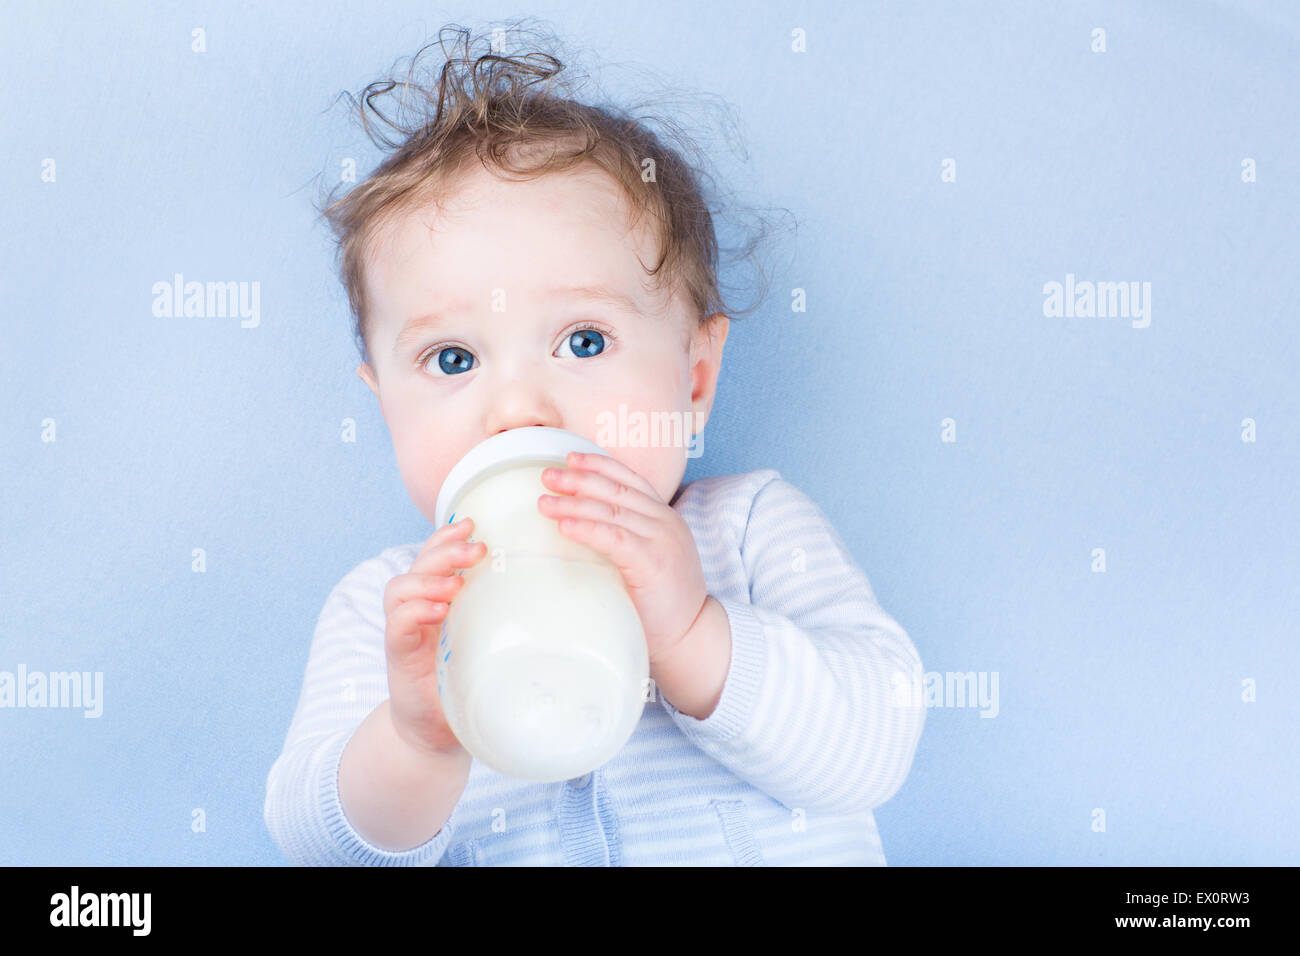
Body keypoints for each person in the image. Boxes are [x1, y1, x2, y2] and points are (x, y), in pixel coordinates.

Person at [264, 21, 925, 865]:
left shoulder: (748, 533)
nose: (519, 409)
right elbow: (312, 845)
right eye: (453, 358)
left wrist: (694, 634)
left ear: (692, 379)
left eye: (583, 342)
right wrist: (416, 740)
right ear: (385, 405)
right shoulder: (394, 608)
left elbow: (875, 744)